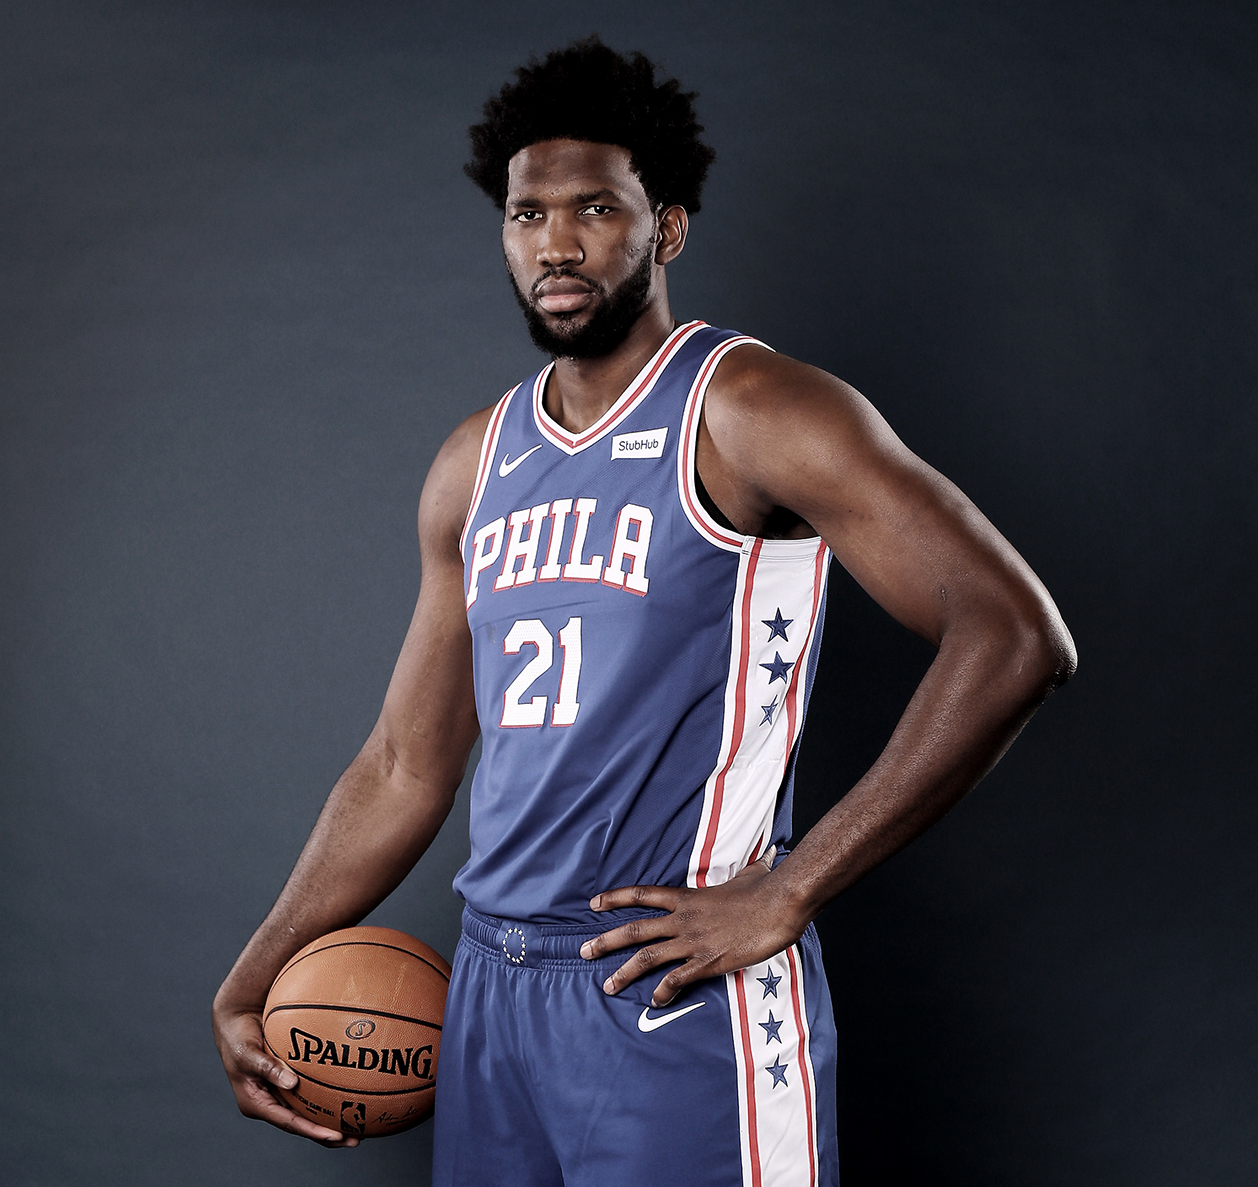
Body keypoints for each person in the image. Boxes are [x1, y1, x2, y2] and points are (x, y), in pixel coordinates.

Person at [213, 38, 1075, 1187]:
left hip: (676, 993)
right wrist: (258, 970)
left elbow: (1014, 633)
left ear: (665, 228)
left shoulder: (750, 409)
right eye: (527, 214)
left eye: (595, 209)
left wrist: (792, 887)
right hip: (492, 997)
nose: (556, 244)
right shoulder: (476, 463)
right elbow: (404, 765)